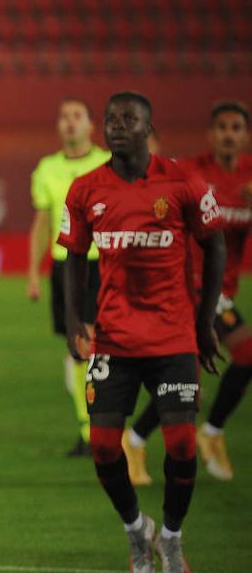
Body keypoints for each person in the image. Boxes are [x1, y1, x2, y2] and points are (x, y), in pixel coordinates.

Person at [59, 91, 224, 573]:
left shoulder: (183, 182)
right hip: (114, 337)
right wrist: (74, 320)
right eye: (110, 119)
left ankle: (171, 538)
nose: (116, 126)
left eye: (127, 119)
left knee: (181, 445)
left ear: (148, 127)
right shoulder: (86, 188)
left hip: (173, 337)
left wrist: (205, 319)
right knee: (106, 447)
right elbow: (73, 256)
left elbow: (214, 248)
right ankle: (137, 530)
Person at [125, 100, 252, 484]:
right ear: (211, 135)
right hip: (185, 287)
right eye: (223, 127)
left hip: (220, 290)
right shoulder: (193, 170)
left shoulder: (249, 178)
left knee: (189, 380)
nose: (229, 134)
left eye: (236, 128)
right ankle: (204, 434)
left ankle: (136, 439)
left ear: (245, 136)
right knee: (242, 354)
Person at [28, 99, 110, 456]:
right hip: (65, 265)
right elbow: (43, 222)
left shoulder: (108, 164)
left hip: (102, 262)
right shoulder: (47, 169)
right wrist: (33, 270)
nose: (70, 122)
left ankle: (101, 428)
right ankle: (88, 428)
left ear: (91, 125)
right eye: (64, 116)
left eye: (77, 115)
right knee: (77, 351)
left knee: (91, 345)